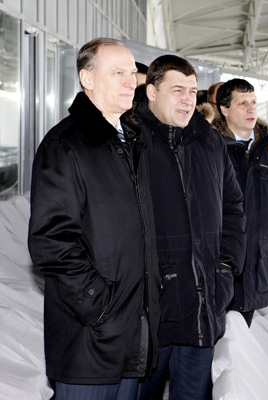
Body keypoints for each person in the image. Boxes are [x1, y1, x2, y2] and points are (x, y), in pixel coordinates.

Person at [28, 38, 161, 399]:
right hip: (89, 340)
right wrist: (101, 305)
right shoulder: (66, 145)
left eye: (131, 72)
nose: (129, 80)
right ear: (88, 79)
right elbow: (51, 242)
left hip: (133, 332)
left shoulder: (130, 142)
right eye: (117, 72)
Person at [122, 55, 246, 399]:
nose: (188, 98)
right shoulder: (128, 142)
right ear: (151, 92)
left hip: (203, 304)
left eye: (192, 90)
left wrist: (226, 267)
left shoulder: (210, 142)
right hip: (149, 312)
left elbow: (234, 207)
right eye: (177, 90)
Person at [212, 78, 268, 326]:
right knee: (215, 343)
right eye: (242, 103)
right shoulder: (210, 148)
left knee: (242, 341)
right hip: (220, 260)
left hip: (258, 262)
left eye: (253, 102)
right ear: (224, 108)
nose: (251, 109)